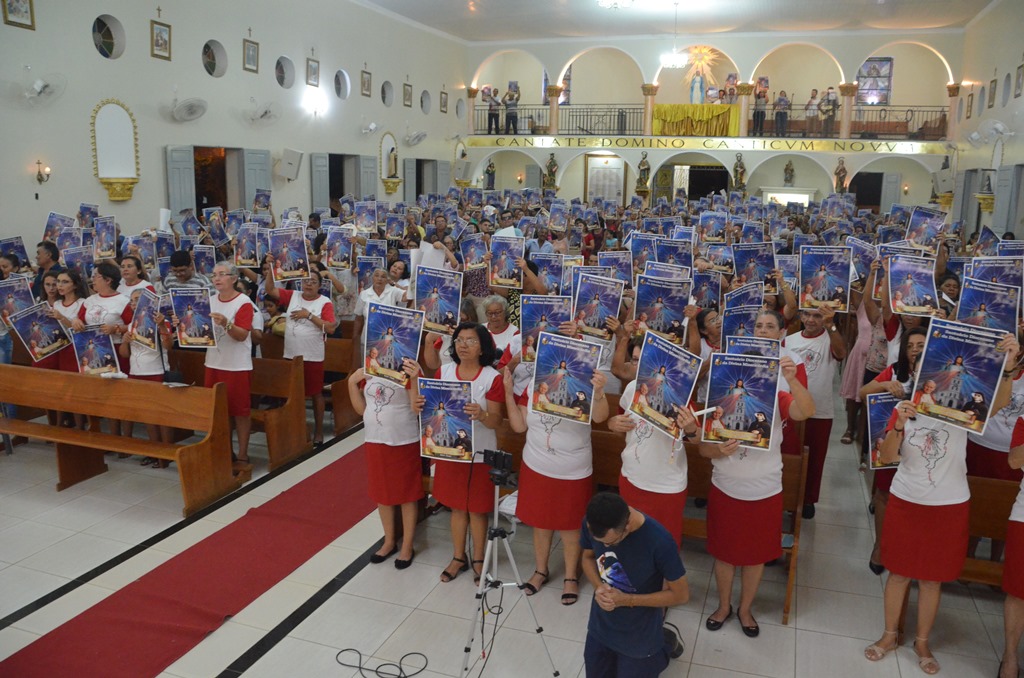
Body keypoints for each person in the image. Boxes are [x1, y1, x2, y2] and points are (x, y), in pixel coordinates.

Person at [864, 333, 1018, 675]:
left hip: (949, 503)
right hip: (907, 500)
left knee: (932, 579)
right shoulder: (903, 409)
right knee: (899, 573)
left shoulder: (961, 407)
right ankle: (890, 635)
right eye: (922, 370)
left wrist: (1007, 369)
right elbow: (888, 456)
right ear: (916, 375)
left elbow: (998, 405)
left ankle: (922, 640)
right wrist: (899, 426)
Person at [701, 309, 814, 638]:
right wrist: (716, 449)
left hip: (764, 487)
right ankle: (724, 605)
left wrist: (791, 379)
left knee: (754, 557)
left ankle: (745, 608)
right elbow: (704, 447)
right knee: (724, 553)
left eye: (769, 327)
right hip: (725, 484)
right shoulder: (721, 393)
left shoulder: (777, 393)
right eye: (757, 325)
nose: (763, 330)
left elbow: (805, 411)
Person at [505, 352, 610, 606]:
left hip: (572, 469)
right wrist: (508, 391)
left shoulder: (583, 385)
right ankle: (541, 570)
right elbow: (519, 425)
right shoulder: (533, 385)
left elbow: (600, 417)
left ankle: (571, 576)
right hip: (537, 465)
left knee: (571, 526)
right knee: (541, 523)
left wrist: (600, 391)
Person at [415, 323, 504, 583]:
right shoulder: (444, 371)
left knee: (476, 509)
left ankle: (478, 558)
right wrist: (424, 404)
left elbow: (497, 421)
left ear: (483, 347)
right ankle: (457, 556)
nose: (463, 345)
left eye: (471, 341)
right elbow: (433, 408)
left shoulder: (491, 377)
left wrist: (483, 413)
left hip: (480, 453)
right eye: (459, 340)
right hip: (449, 451)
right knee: (456, 507)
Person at [580, 492, 688, 677]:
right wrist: (599, 586)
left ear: (627, 526)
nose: (605, 548)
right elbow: (587, 557)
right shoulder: (593, 523)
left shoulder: (660, 541)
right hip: (602, 623)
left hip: (640, 631)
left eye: (611, 542)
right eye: (600, 543)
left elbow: (681, 595)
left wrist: (628, 600)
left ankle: (665, 643)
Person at [348, 350, 423, 569]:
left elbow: (415, 409)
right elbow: (363, 410)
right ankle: (389, 540)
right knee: (382, 492)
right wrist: (352, 384)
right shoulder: (372, 365)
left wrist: (416, 378)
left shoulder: (410, 366)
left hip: (402, 438)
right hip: (375, 438)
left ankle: (407, 545)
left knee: (407, 493)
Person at [607, 379, 700, 547]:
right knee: (631, 541)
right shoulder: (632, 388)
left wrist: (691, 428)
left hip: (667, 485)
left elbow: (697, 439)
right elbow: (621, 424)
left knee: (664, 544)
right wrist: (612, 423)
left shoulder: (682, 394)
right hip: (632, 476)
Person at [784, 304, 847, 519]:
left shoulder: (830, 338)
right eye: (807, 315)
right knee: (791, 455)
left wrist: (831, 327)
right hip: (793, 407)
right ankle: (789, 497)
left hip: (820, 410)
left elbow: (841, 353)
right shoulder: (789, 340)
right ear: (801, 316)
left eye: (817, 316)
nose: (811, 320)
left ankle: (808, 499)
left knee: (815, 458)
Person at [264, 263, 338, 444]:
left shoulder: (324, 302)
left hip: (312, 355)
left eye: (313, 281)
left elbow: (330, 328)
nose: (308, 284)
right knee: (291, 394)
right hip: (291, 354)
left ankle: (318, 432)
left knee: (315, 394)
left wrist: (309, 315)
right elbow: (270, 289)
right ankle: (294, 431)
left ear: (319, 285)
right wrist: (273, 267)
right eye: (305, 281)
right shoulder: (293, 296)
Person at [202, 263, 255, 470]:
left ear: (233, 279)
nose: (217, 278)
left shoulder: (243, 302)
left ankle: (242, 454)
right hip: (213, 362)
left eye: (222, 275)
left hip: (236, 365)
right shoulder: (209, 301)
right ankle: (224, 450)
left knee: (240, 412)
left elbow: (242, 335)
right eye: (214, 274)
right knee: (218, 411)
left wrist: (226, 323)